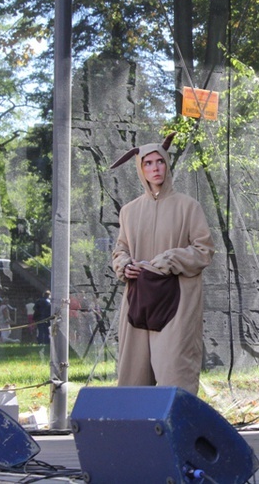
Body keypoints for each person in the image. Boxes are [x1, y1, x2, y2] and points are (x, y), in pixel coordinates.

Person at [110, 132, 215, 395]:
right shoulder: (129, 211)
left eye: (160, 162)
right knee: (133, 377)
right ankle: (134, 434)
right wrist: (124, 265)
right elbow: (120, 249)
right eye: (148, 163)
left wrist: (170, 259)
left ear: (167, 165)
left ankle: (177, 432)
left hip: (176, 302)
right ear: (140, 168)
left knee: (174, 373)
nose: (155, 168)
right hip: (138, 300)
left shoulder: (188, 206)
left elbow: (204, 251)